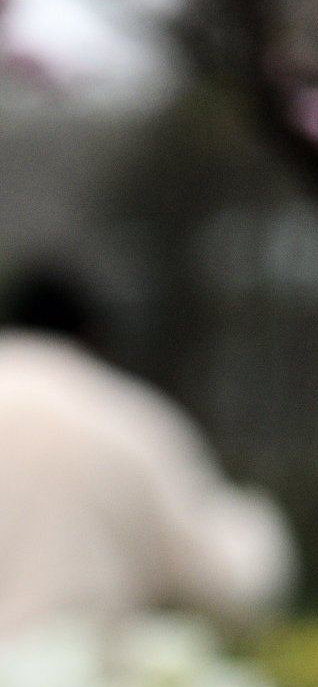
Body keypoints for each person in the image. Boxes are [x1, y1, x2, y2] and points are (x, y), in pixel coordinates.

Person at [0, 267, 296, 636]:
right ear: (91, 337)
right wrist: (256, 520)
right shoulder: (127, 420)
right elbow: (234, 585)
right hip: (86, 680)